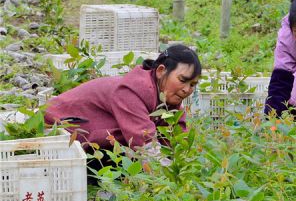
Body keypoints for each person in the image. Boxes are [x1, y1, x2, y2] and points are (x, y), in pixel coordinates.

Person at [44, 44, 201, 176]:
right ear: (161, 71)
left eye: (193, 84)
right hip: (55, 131)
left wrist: (188, 165)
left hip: (91, 142)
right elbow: (146, 145)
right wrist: (173, 179)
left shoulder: (167, 98)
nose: (187, 89)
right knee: (131, 163)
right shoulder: (132, 91)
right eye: (182, 80)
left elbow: (176, 139)